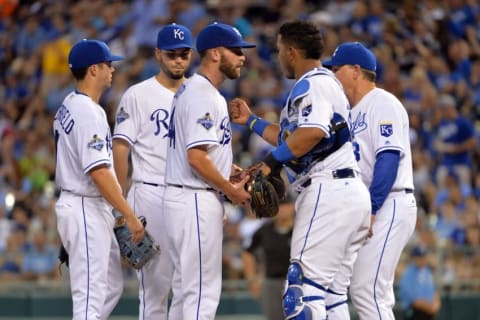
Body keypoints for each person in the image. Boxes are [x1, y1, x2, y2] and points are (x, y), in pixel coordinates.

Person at [229, 21, 371, 319]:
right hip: (346, 193)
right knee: (330, 297)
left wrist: (271, 162)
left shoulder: (314, 83)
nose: (278, 55)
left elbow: (312, 133)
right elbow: (291, 138)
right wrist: (252, 121)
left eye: (280, 49)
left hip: (327, 191)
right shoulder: (321, 84)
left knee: (302, 291)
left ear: (291, 52)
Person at [163, 22, 255, 319]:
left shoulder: (193, 89)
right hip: (194, 200)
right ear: (215, 53)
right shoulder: (203, 94)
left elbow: (200, 154)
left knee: (184, 293)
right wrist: (230, 190)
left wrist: (226, 168)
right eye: (236, 51)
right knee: (202, 294)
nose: (242, 57)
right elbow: (196, 157)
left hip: (184, 198)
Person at [323, 42, 417, 320]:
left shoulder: (382, 102)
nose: (332, 75)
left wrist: (373, 209)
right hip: (370, 205)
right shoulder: (349, 113)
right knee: (358, 288)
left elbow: (388, 157)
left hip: (390, 202)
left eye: (336, 69)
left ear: (355, 71)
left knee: (368, 290)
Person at [53, 39, 144, 320]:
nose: (112, 70)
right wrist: (127, 214)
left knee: (110, 287)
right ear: (93, 70)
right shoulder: (88, 112)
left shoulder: (69, 103)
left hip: (85, 204)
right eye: (108, 64)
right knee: (90, 297)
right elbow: (99, 172)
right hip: (84, 206)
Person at [112, 24, 193, 320]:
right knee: (155, 289)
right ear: (158, 54)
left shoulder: (198, 93)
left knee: (189, 286)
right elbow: (120, 150)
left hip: (190, 194)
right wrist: (121, 206)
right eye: (172, 54)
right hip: (150, 192)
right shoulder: (138, 94)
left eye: (184, 54)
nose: (178, 61)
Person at [242, 196, 295, 320]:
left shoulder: (301, 229)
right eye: (278, 206)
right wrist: (251, 279)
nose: (282, 209)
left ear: (293, 207)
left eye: (285, 205)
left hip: (297, 283)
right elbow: (247, 252)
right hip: (272, 283)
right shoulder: (264, 230)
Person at [434, 93, 476, 188]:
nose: (441, 111)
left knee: (464, 192)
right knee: (443, 192)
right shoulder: (442, 123)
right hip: (445, 164)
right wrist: (439, 146)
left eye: (443, 109)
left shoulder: (463, 122)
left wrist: (456, 148)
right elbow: (438, 141)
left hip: (461, 163)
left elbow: (473, 142)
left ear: (450, 108)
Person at [399, 246, 441, 320]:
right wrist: (429, 307)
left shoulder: (427, 271)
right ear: (414, 258)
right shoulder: (408, 273)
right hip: (415, 313)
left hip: (429, 313)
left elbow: (434, 291)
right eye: (419, 257)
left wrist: (436, 304)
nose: (422, 259)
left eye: (423, 257)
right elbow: (412, 299)